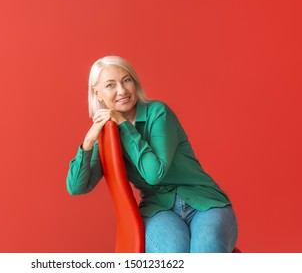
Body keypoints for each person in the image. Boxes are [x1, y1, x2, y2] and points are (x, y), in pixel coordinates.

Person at [66, 55, 238, 253]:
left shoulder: (158, 113)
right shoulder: (108, 134)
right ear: (97, 94)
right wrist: (88, 142)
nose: (122, 91)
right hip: (158, 210)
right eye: (110, 85)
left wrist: (124, 125)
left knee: (206, 250)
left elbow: (154, 173)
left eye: (126, 80)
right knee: (174, 254)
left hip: (205, 203)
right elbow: (76, 187)